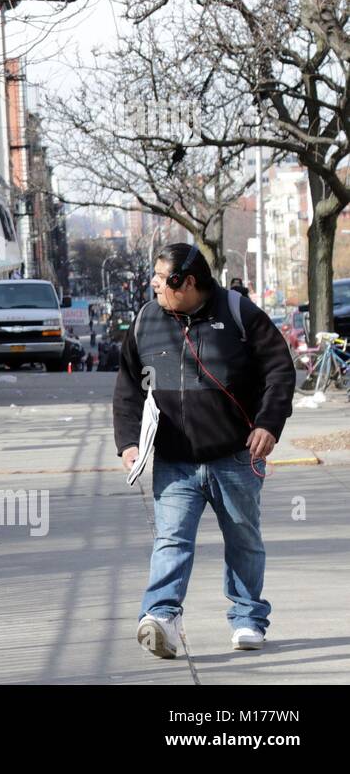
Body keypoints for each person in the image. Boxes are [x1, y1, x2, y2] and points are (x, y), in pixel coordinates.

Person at [113, 243, 294, 659]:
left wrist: (269, 424)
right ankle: (161, 616)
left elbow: (279, 369)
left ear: (188, 282)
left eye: (163, 279)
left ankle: (248, 617)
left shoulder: (238, 312)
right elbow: (127, 386)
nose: (155, 285)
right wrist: (128, 441)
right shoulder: (146, 320)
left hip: (235, 455)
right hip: (175, 461)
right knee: (171, 540)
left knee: (243, 540)